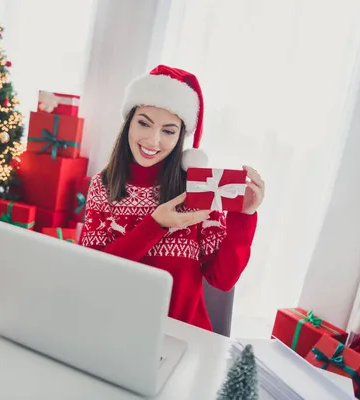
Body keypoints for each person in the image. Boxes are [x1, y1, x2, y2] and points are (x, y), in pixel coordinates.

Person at [79, 65, 265, 331]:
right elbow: (93, 271)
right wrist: (155, 224)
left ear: (180, 137)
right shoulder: (104, 185)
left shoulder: (197, 188)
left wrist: (243, 217)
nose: (153, 140)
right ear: (128, 122)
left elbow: (222, 280)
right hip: (116, 329)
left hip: (184, 337)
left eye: (168, 131)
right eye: (144, 123)